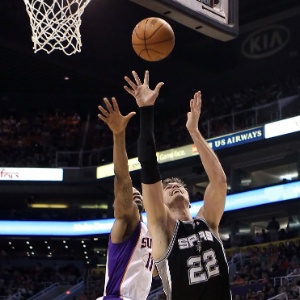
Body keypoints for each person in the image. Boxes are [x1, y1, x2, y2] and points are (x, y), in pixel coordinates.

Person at [124, 70, 232, 299]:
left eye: (180, 185)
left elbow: (219, 181)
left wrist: (194, 131)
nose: (174, 185)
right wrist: (146, 111)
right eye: (168, 186)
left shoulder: (209, 223)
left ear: (190, 199)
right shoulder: (162, 227)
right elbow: (149, 166)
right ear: (159, 202)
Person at [97, 97, 155, 300]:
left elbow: (153, 271)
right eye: (131, 193)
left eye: (138, 192)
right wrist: (119, 135)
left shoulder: (148, 232)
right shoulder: (126, 220)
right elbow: (122, 179)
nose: (135, 193)